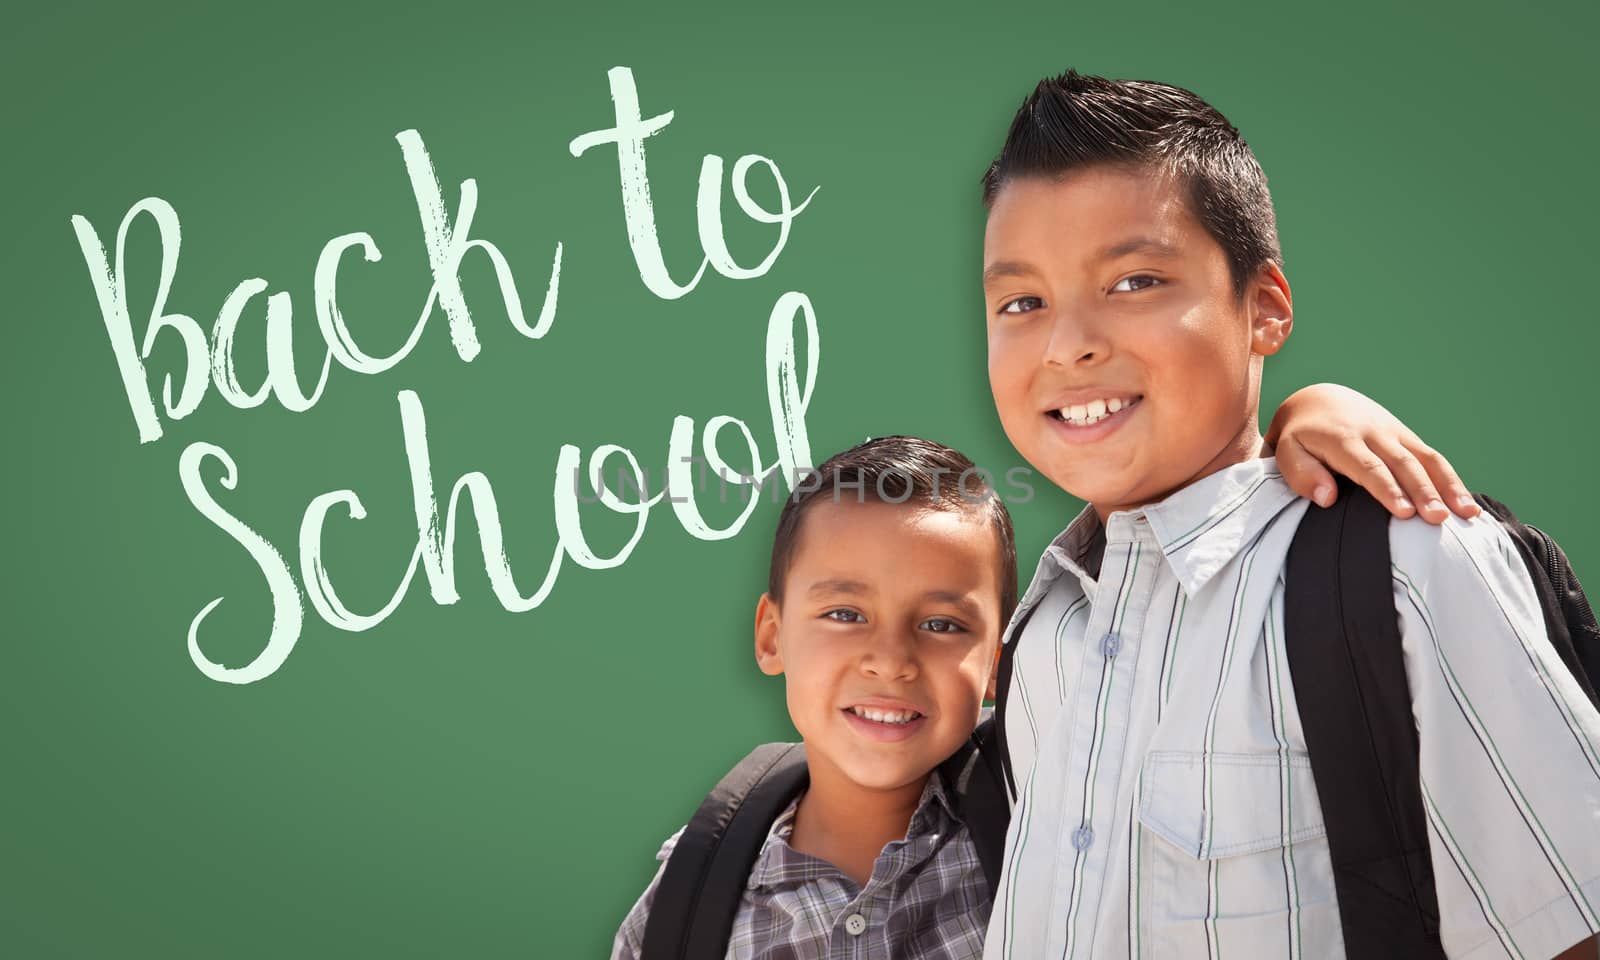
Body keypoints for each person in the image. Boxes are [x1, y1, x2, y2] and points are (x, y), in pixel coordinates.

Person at [979, 70, 1600, 959]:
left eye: (1136, 280)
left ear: (1264, 308)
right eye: (1020, 302)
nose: (1067, 341)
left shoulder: (1407, 566)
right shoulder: (1043, 638)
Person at [611, 400, 1483, 959]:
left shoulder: (1053, 830)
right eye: (843, 614)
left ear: (998, 665)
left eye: (944, 624)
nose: (890, 658)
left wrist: (1304, 411)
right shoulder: (690, 901)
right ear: (771, 635)